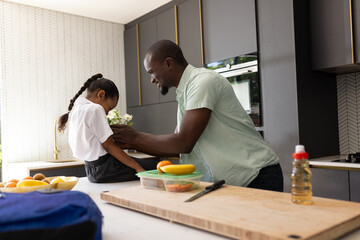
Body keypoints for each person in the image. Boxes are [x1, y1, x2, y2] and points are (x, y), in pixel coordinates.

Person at [112, 40, 283, 191]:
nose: (152, 79)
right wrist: (133, 144)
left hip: (257, 176)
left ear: (169, 64)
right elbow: (176, 145)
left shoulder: (202, 82)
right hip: (232, 183)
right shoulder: (184, 94)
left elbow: (183, 143)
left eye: (152, 72)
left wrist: (134, 138)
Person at [57, 73, 149, 183]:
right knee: (155, 166)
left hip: (91, 171)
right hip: (107, 168)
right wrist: (138, 168)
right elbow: (109, 146)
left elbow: (97, 145)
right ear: (101, 95)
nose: (107, 113)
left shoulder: (76, 110)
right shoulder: (95, 109)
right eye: (109, 108)